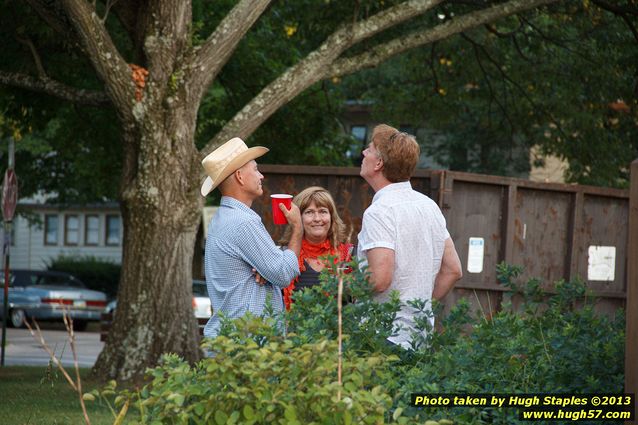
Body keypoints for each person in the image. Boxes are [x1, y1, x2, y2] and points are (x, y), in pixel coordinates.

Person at [357, 124, 463, 349]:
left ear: (378, 163)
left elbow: (380, 279)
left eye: (369, 149)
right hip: (420, 336)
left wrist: (342, 285)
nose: (363, 153)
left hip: (383, 336)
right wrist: (419, 307)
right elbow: (453, 269)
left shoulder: (380, 212)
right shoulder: (429, 206)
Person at [200, 137, 303, 339]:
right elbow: (283, 274)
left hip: (230, 339)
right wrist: (297, 228)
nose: (261, 176)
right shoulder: (243, 222)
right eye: (255, 169)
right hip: (247, 346)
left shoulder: (222, 218)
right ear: (239, 176)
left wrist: (266, 268)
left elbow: (271, 267)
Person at [279, 186, 352, 310]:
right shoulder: (283, 257)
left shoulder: (349, 255)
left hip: (340, 329)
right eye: (309, 212)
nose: (317, 219)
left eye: (323, 211)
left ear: (332, 217)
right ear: (298, 218)